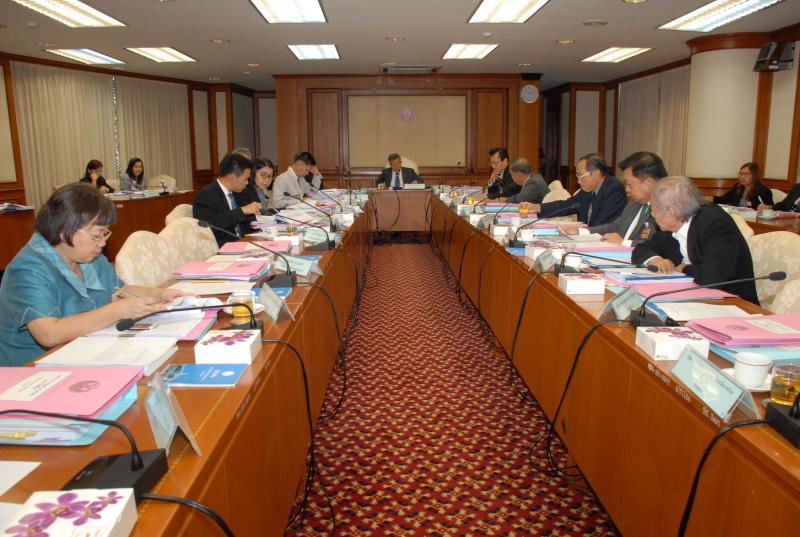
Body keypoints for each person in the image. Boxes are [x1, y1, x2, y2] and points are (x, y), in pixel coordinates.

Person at [0, 184, 188, 365]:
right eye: (96, 236)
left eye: (104, 234)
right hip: (35, 368)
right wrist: (118, 310)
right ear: (64, 231)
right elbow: (49, 334)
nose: (102, 243)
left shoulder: (87, 255)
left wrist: (157, 294)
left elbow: (120, 290)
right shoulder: (28, 269)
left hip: (86, 350)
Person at [632, 176, 758, 304]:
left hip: (732, 303)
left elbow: (714, 277)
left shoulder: (714, 222)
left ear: (670, 211)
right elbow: (641, 250)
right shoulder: (672, 226)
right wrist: (656, 260)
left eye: (653, 209)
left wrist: (684, 268)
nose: (652, 214)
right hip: (690, 296)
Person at [522, 153, 625, 227]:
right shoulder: (588, 190)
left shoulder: (614, 189)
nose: (578, 181)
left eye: (580, 176)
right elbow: (567, 205)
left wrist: (578, 231)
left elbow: (602, 225)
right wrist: (538, 207)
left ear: (595, 173)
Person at [589, 151, 668, 246]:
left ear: (648, 182)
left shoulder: (667, 209)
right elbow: (615, 227)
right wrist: (581, 231)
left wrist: (624, 243)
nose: (626, 189)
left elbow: (661, 246)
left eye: (629, 184)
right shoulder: (634, 203)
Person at [192, 153, 261, 246]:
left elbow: (246, 222)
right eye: (245, 179)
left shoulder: (238, 193)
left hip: (243, 243)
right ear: (233, 177)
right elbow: (210, 226)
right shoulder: (206, 195)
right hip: (221, 247)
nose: (247, 183)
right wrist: (242, 211)